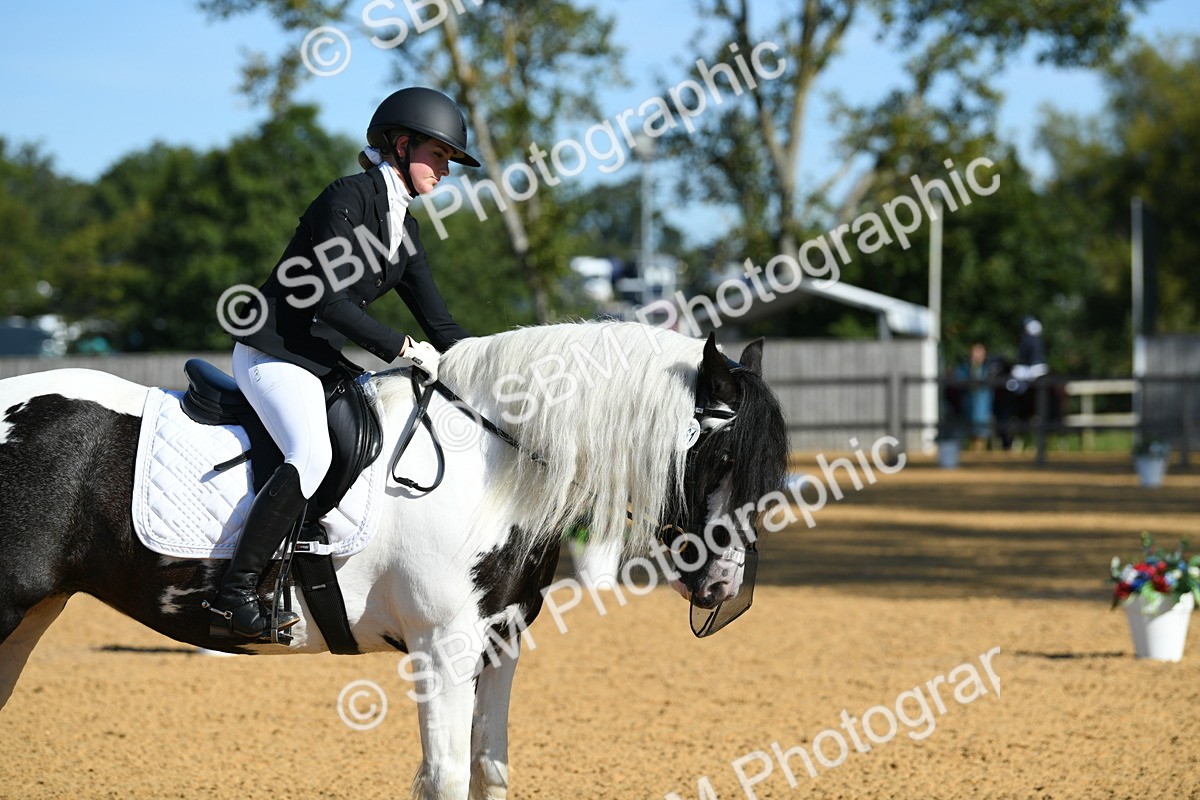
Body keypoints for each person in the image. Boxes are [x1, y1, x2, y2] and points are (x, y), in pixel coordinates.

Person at [204, 87, 480, 639]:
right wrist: (400, 349)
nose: (446, 170)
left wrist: (494, 366)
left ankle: (300, 555)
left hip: (319, 360)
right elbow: (326, 301)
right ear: (402, 146)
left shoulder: (406, 231)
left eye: (450, 160)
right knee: (310, 453)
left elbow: (442, 326)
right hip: (272, 349)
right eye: (440, 155)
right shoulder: (345, 200)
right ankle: (234, 594)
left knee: (369, 440)